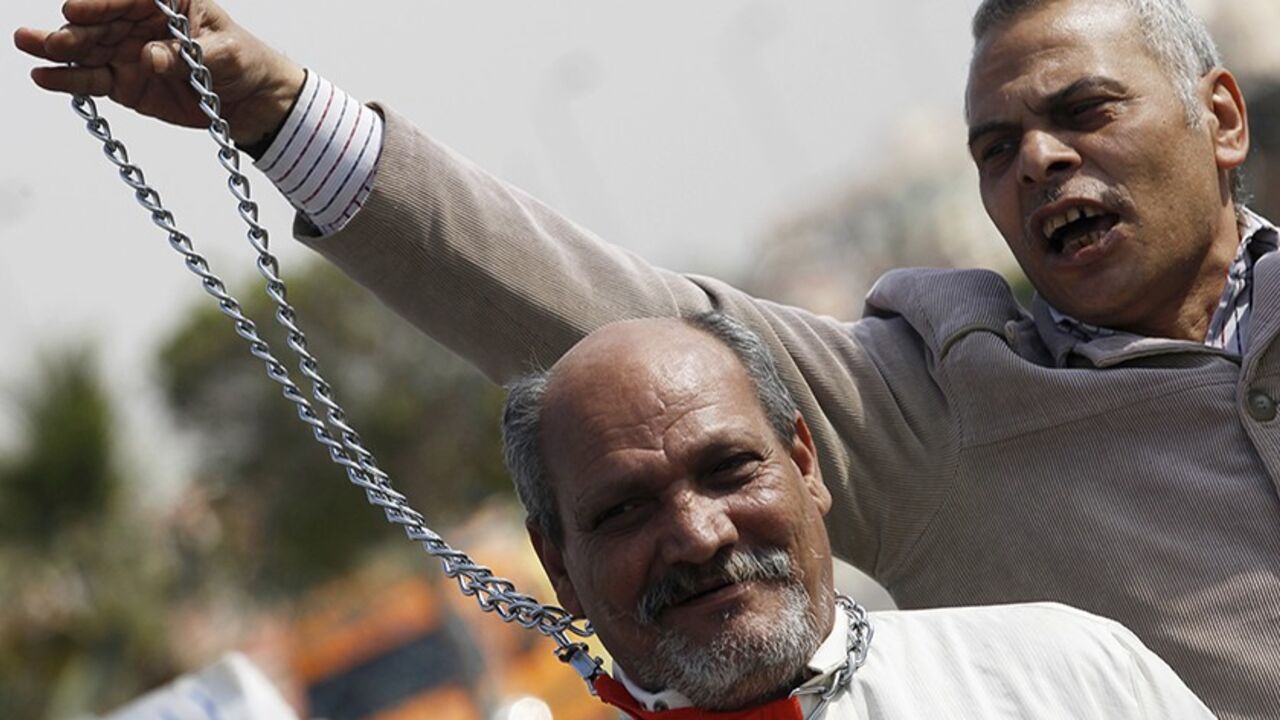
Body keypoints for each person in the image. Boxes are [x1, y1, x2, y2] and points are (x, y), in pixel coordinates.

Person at [12, 0, 1278, 716]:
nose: (1036, 164)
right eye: (995, 147)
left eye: (1080, 113)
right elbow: (609, 324)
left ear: (1219, 117)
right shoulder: (947, 404)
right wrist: (285, 117)